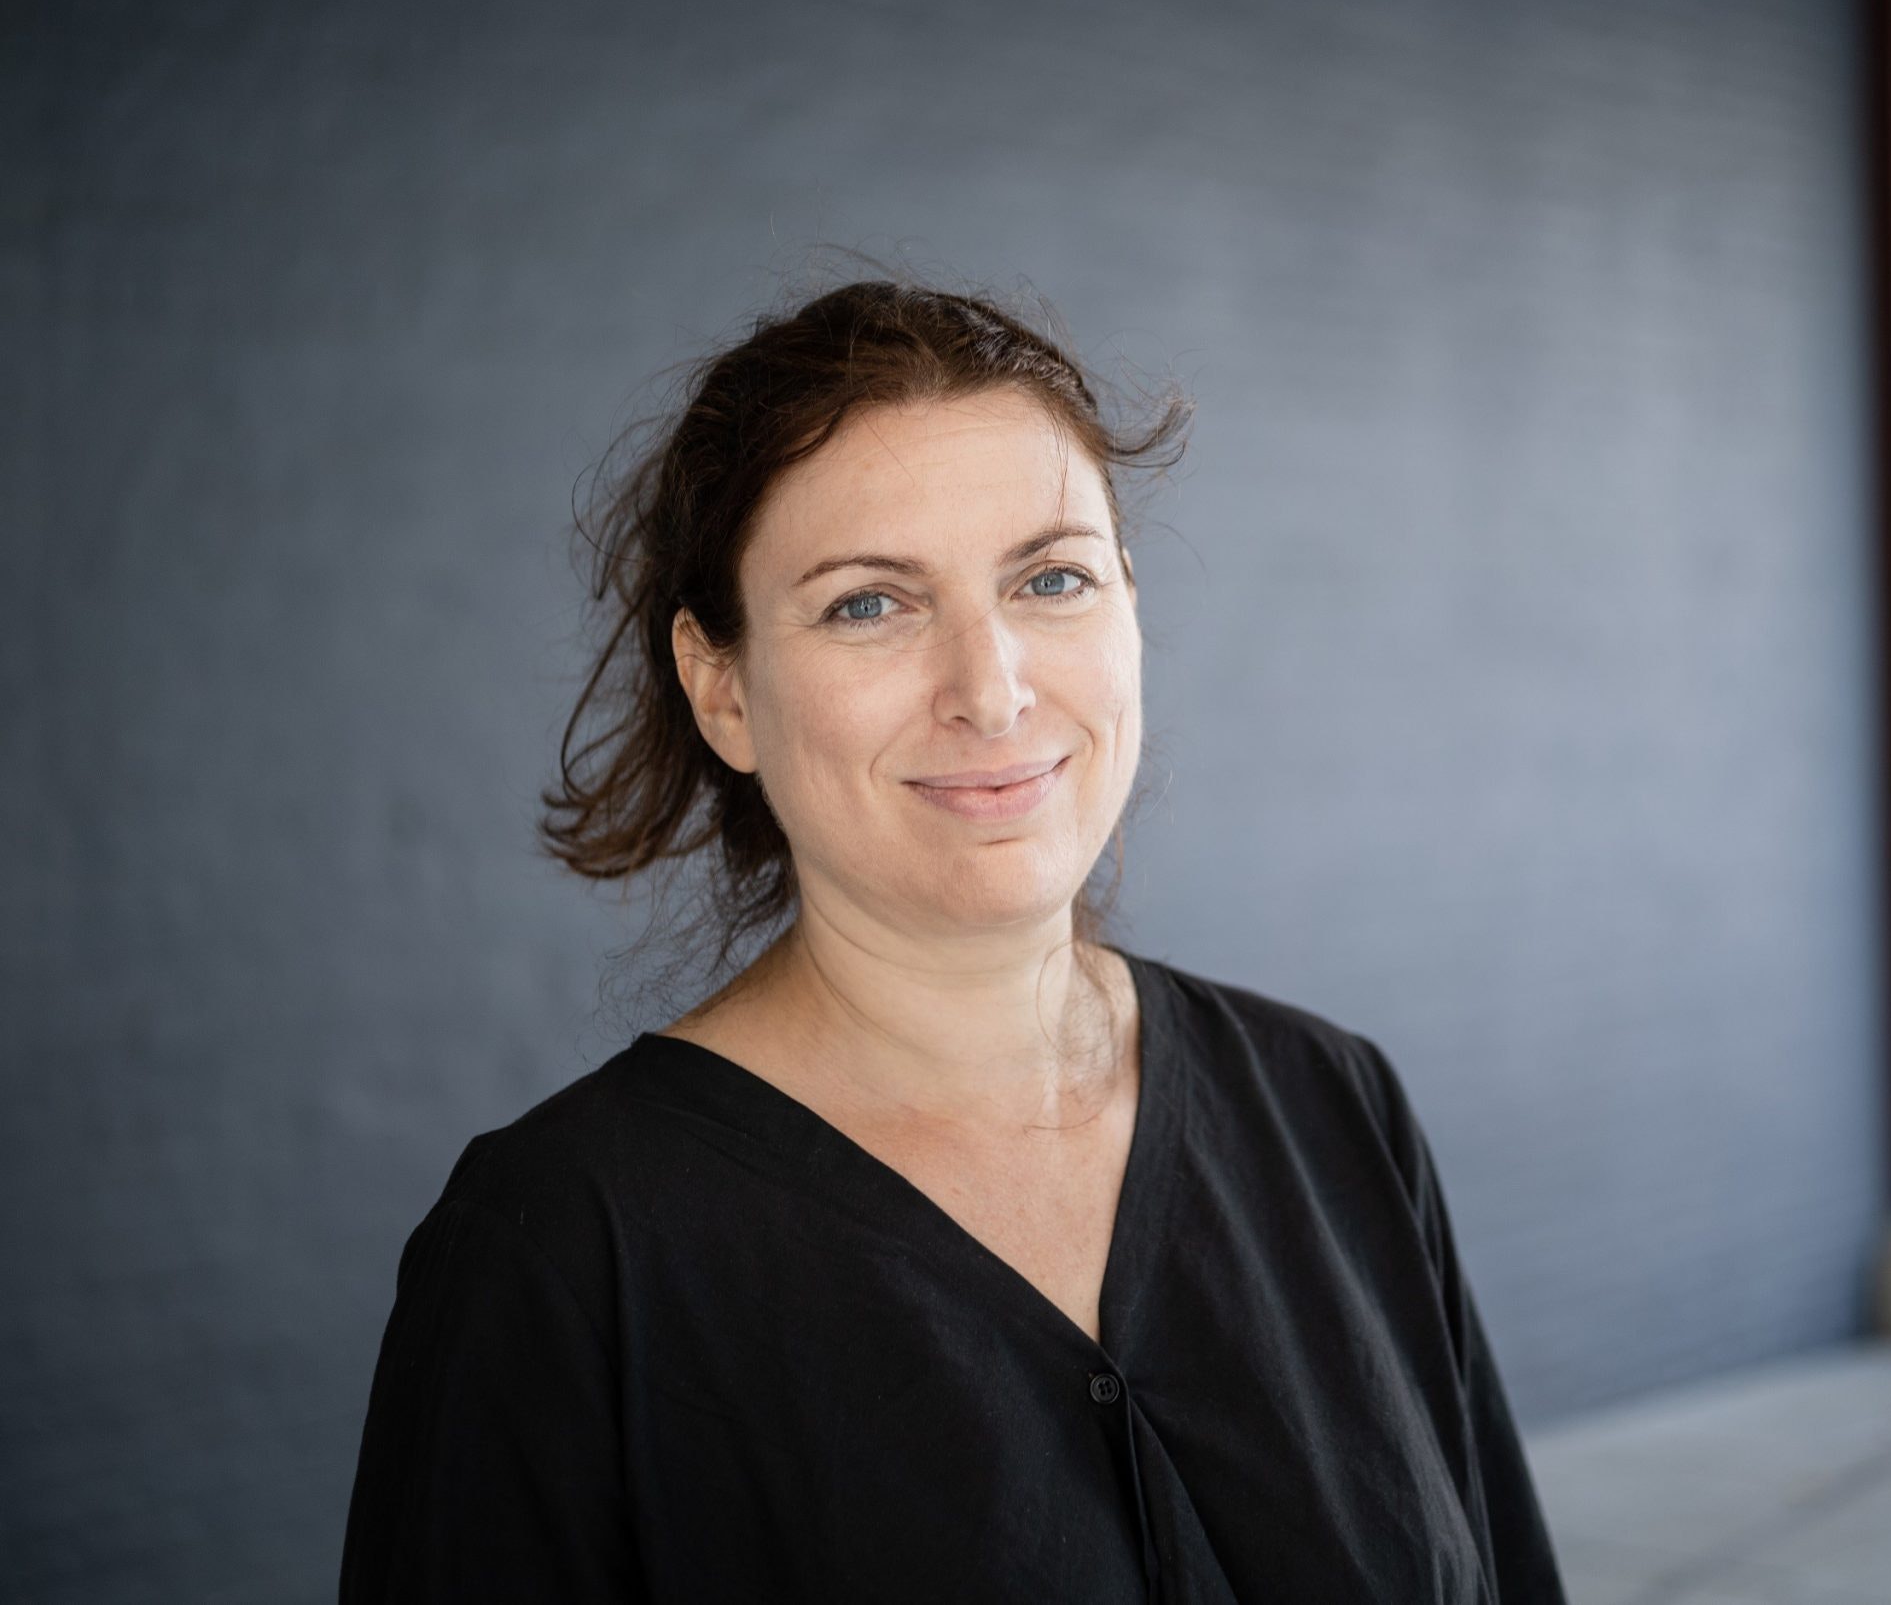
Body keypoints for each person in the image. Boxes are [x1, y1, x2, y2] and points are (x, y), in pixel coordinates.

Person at [338, 276, 1568, 1603]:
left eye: (1052, 579)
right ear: (721, 688)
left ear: (1131, 610)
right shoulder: (562, 1251)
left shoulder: (1333, 1105)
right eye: (871, 603)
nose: (992, 690)